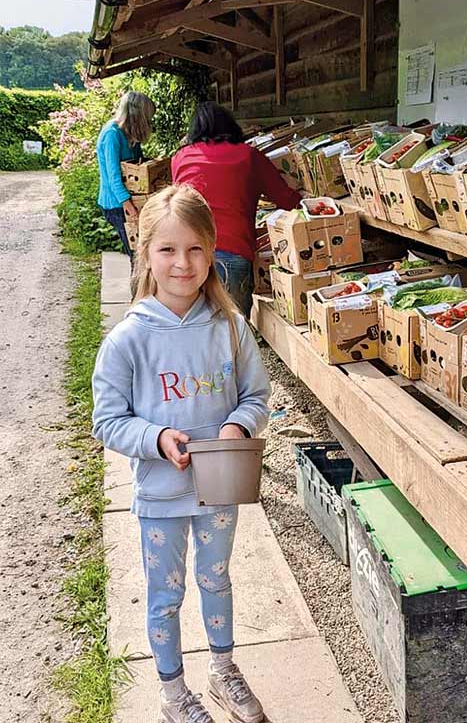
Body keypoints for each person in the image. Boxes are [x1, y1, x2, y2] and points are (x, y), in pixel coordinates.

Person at [92, 184, 271, 723]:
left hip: (219, 491)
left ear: (212, 250)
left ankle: (223, 670)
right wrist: (155, 438)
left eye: (195, 248)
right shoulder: (128, 340)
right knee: (164, 596)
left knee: (216, 579)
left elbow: (255, 396)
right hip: (160, 496)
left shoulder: (231, 328)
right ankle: (173, 692)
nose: (182, 262)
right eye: (167, 249)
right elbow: (108, 420)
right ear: (145, 251)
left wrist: (239, 426)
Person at [171, 101, 302, 317]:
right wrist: (311, 200)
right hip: (234, 251)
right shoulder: (249, 156)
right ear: (231, 127)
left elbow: (178, 203)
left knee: (191, 332)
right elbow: (285, 199)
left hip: (189, 252)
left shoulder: (182, 157)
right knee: (231, 333)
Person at [96, 91, 156, 261]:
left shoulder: (129, 132)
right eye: (147, 118)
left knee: (144, 253)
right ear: (136, 115)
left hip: (131, 201)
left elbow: (138, 164)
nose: (149, 122)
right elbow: (113, 176)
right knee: (137, 257)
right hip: (117, 205)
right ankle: (138, 288)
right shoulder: (112, 134)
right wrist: (129, 207)